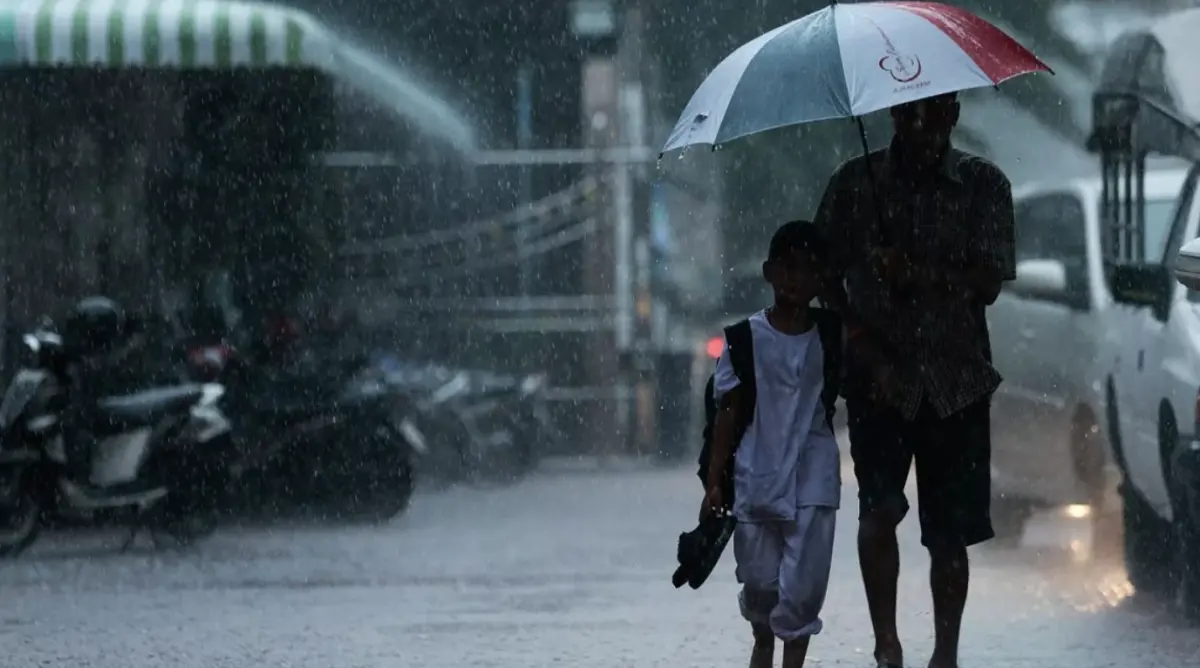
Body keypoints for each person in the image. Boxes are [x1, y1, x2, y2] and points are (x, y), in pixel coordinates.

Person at [814, 92, 1015, 668]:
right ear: (892, 116)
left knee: (949, 534)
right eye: (907, 114)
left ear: (953, 114)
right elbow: (823, 271)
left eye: (931, 114)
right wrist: (857, 334)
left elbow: (989, 279)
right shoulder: (854, 184)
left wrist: (917, 273)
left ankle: (945, 653)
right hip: (879, 383)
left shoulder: (985, 185)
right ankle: (887, 645)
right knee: (878, 511)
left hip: (958, 381)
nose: (919, 128)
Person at [702, 220, 842, 668]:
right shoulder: (744, 339)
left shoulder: (834, 335)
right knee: (761, 582)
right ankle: (763, 637)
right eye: (788, 268)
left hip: (813, 473)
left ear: (822, 278)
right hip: (757, 472)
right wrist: (714, 482)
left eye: (809, 269)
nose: (797, 279)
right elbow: (728, 413)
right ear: (769, 272)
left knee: (802, 588)